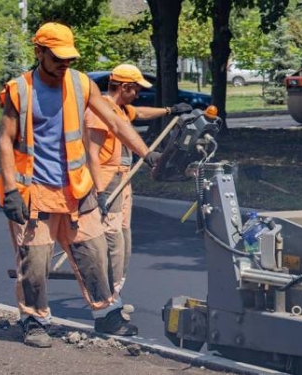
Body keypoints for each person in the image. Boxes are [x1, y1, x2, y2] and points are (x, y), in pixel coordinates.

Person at [0, 22, 159, 348]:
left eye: (68, 59)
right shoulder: (20, 90)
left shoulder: (81, 84)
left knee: (94, 251)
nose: (64, 65)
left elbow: (115, 120)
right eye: (57, 59)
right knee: (35, 260)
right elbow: (5, 141)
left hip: (75, 189)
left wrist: (148, 154)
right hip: (34, 192)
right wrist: (11, 189)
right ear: (39, 52)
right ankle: (34, 320)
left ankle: (107, 314)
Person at [85, 64, 192, 318]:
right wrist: (98, 190)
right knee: (113, 241)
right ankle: (107, 299)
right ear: (124, 87)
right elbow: (91, 152)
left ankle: (116, 293)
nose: (137, 94)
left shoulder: (120, 108)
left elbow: (140, 114)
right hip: (107, 180)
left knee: (124, 238)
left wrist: (169, 110)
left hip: (123, 179)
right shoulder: (99, 111)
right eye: (135, 90)